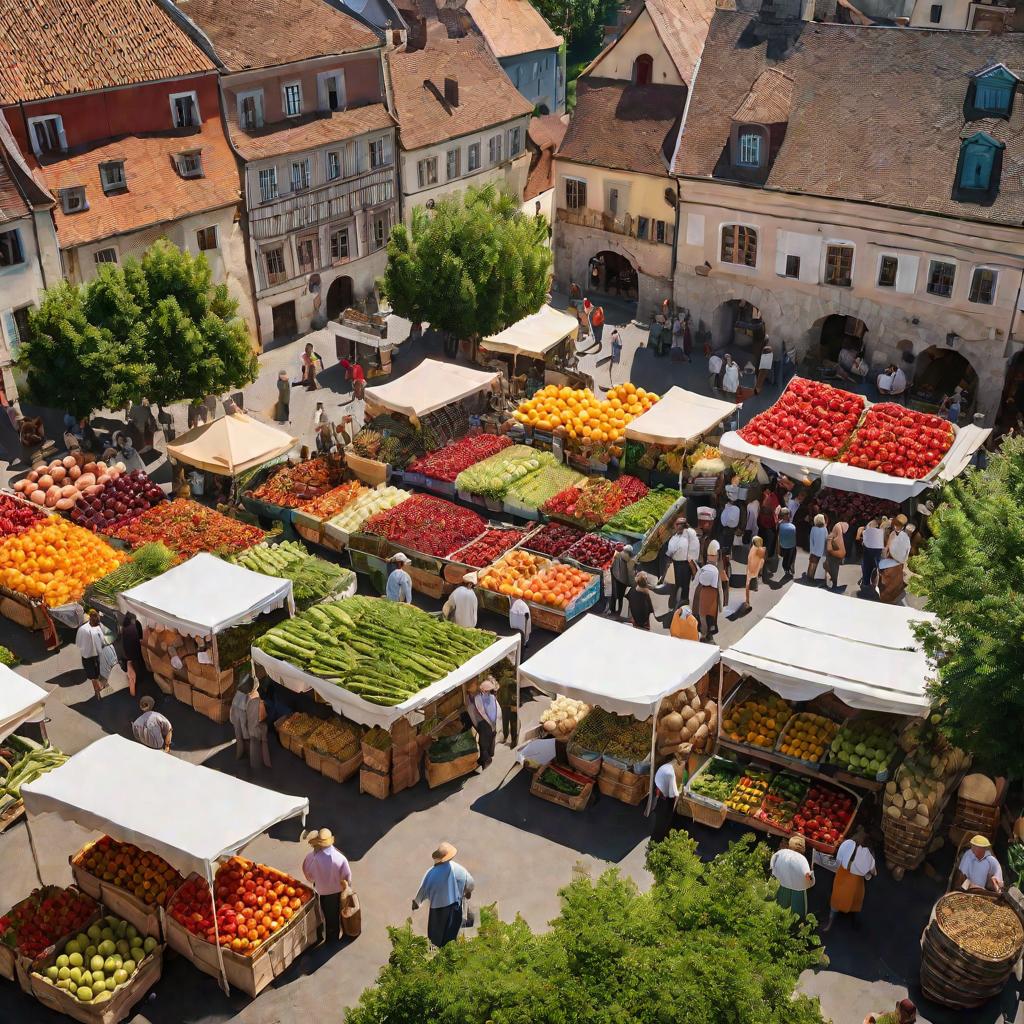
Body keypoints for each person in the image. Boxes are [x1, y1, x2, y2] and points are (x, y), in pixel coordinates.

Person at [413, 842, 474, 947]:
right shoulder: (457, 869)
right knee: (450, 940)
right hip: (454, 908)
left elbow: (422, 890)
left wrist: (417, 903)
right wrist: (467, 892)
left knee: (435, 941)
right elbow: (470, 883)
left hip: (436, 911)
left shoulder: (431, 873)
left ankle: (436, 958)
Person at [301, 828, 352, 943]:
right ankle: (335, 936)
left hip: (322, 892)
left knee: (325, 915)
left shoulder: (313, 859)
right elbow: (348, 877)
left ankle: (328, 937)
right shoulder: (340, 858)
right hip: (338, 891)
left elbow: (310, 877)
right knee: (337, 913)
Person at [823, 829, 876, 932]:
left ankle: (830, 922)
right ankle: (853, 918)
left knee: (837, 898)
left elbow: (838, 860)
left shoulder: (847, 844)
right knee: (855, 899)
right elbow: (871, 872)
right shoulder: (869, 854)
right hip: (856, 881)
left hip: (842, 874)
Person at [770, 834, 814, 918]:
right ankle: (795, 922)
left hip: (783, 883)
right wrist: (810, 877)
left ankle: (778, 916)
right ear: (803, 850)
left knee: (781, 900)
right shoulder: (802, 859)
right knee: (798, 906)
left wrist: (773, 869)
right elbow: (808, 875)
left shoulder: (783, 854)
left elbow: (774, 861)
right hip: (798, 887)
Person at [661, 517, 699, 610]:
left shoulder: (689, 533)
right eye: (677, 524)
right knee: (677, 584)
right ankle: (676, 603)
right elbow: (671, 550)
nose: (677, 526)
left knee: (685, 585)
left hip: (686, 564)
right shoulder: (675, 537)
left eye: (679, 524)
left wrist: (691, 561)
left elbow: (693, 547)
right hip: (676, 563)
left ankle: (684, 603)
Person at [467, 677, 501, 769]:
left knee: (484, 743)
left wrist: (490, 724)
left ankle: (485, 760)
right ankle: (487, 757)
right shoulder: (488, 697)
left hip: (486, 723)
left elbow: (485, 712)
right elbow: (488, 712)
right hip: (489, 722)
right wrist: (492, 724)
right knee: (487, 740)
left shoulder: (482, 698)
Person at [878, 514, 912, 604]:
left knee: (892, 584)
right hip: (892, 563)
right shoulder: (895, 534)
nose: (897, 527)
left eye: (899, 525)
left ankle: (888, 600)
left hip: (896, 565)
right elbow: (887, 549)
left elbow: (905, 551)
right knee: (889, 583)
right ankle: (886, 600)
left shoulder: (904, 537)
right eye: (896, 524)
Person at [77, 609, 107, 699]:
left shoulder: (83, 629)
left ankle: (97, 693)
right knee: (98, 674)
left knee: (93, 678)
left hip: (86, 657)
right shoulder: (98, 628)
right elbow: (102, 642)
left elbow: (79, 643)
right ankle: (102, 689)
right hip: (96, 655)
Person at [651, 755, 682, 842]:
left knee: (660, 822)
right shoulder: (674, 769)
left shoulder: (669, 767)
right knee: (662, 822)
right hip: (666, 801)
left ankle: (656, 839)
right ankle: (657, 839)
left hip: (664, 800)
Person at [693, 559, 724, 640]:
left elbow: (694, 586)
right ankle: (709, 634)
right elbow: (720, 589)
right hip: (713, 595)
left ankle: (703, 635)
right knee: (711, 616)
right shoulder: (716, 572)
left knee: (702, 615)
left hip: (704, 593)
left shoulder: (702, 570)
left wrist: (691, 602)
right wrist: (721, 606)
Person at [857, 516, 885, 592]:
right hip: (876, 551)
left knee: (867, 567)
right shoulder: (881, 530)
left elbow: (862, 541)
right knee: (875, 567)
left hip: (869, 550)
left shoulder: (866, 530)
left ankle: (866, 583)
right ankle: (873, 584)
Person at [120, 611, 145, 697]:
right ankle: (133, 691)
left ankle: (132, 690)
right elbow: (139, 640)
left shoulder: (124, 627)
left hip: (127, 654)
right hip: (134, 653)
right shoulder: (134, 626)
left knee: (131, 671)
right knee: (134, 672)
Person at [609, 544, 635, 618]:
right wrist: (631, 583)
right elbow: (630, 573)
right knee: (621, 597)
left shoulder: (618, 555)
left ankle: (613, 611)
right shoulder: (631, 560)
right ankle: (619, 612)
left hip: (615, 577)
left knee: (614, 595)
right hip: (624, 581)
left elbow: (611, 565)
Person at [758, 485, 781, 561]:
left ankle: (762, 566)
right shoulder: (772, 498)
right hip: (767, 527)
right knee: (766, 548)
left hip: (767, 527)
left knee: (765, 548)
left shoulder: (769, 498)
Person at [825, 520, 848, 591]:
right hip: (835, 554)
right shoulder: (838, 531)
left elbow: (829, 549)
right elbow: (829, 549)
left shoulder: (837, 530)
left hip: (834, 554)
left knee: (833, 567)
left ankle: (834, 583)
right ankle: (834, 584)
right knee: (833, 567)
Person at [744, 536, 766, 607]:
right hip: (757, 569)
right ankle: (756, 587)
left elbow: (749, 561)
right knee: (756, 577)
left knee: (747, 584)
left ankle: (747, 601)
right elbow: (762, 561)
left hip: (750, 570)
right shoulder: (762, 550)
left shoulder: (751, 550)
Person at [806, 513, 827, 583]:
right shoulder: (825, 529)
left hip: (814, 549)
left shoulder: (813, 528)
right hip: (821, 550)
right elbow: (826, 540)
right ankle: (811, 578)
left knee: (812, 563)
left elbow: (811, 540)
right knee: (816, 564)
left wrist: (811, 550)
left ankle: (809, 577)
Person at [777, 507, 798, 577]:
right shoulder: (791, 525)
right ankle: (788, 567)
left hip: (785, 544)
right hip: (788, 544)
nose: (789, 515)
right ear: (785, 515)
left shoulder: (779, 524)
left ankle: (788, 568)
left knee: (788, 557)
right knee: (789, 556)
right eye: (788, 514)